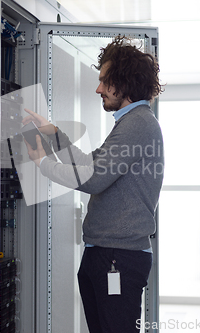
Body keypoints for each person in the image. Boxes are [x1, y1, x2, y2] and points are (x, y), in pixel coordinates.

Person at [23, 36, 164, 333]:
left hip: (118, 257)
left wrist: (43, 164)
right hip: (105, 252)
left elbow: (94, 178)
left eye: (104, 81)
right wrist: (52, 134)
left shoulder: (138, 123)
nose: (98, 88)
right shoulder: (129, 123)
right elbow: (90, 163)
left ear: (124, 83)